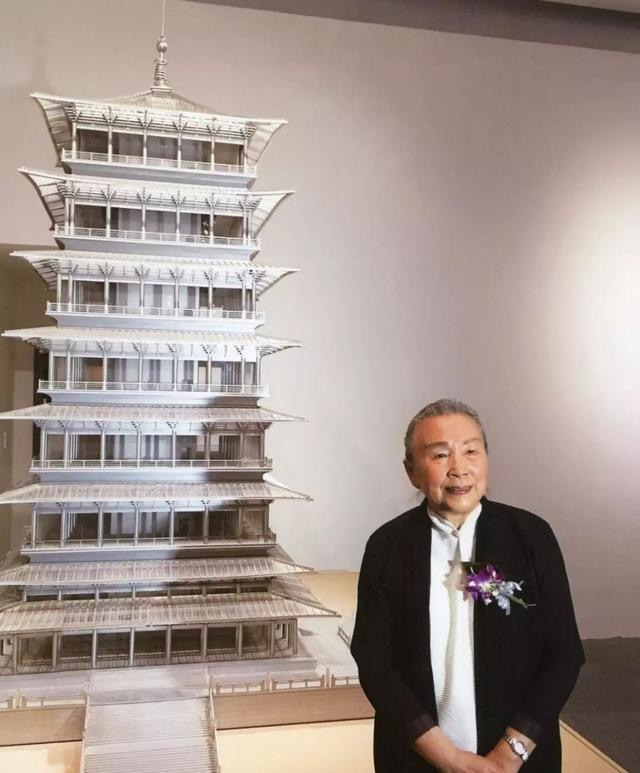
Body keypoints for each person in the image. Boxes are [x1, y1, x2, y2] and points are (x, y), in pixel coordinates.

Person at [350, 399, 584, 773]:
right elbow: (374, 662)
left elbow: (564, 654)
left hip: (519, 761)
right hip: (417, 759)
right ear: (411, 471)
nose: (458, 468)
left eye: (471, 451)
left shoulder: (531, 536)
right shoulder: (387, 546)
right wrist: (449, 758)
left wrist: (510, 754)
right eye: (440, 455)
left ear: (486, 458)